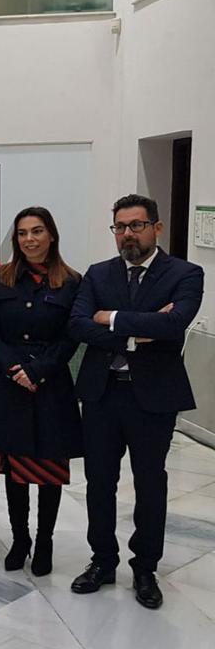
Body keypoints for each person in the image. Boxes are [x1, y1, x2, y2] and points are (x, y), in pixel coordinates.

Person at [68, 194, 204, 609]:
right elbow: (76, 324)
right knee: (99, 483)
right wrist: (138, 331)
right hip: (102, 394)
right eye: (120, 227)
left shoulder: (185, 273)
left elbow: (175, 323)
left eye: (136, 225)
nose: (127, 234)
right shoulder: (97, 274)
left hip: (153, 398)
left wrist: (108, 318)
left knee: (150, 484)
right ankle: (102, 561)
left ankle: (145, 568)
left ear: (156, 228)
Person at [0, 207, 82, 578]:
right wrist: (13, 368)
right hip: (11, 387)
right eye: (22, 233)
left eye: (37, 231)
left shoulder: (71, 281)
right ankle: (20, 539)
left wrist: (37, 370)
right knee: (16, 470)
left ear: (51, 235)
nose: (29, 239)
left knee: (49, 470)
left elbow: (72, 335)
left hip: (50, 387)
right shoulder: (3, 278)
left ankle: (45, 540)